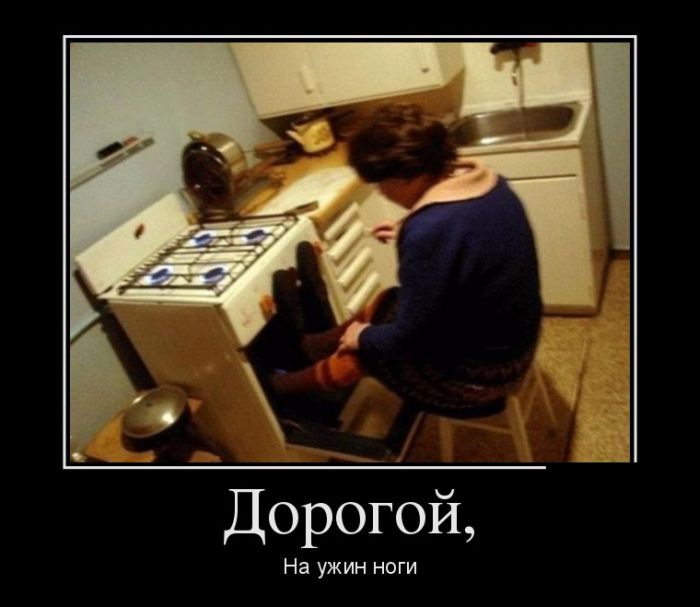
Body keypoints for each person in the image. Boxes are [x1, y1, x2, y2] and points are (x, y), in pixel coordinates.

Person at [270, 103, 542, 416]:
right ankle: (312, 346)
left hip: (479, 380)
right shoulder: (491, 184)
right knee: (392, 301)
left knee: (368, 352)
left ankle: (278, 390)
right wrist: (406, 228)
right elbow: (469, 238)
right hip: (517, 345)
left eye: (383, 183)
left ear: (411, 175)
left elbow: (409, 338)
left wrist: (363, 337)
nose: (381, 192)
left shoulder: (429, 231)